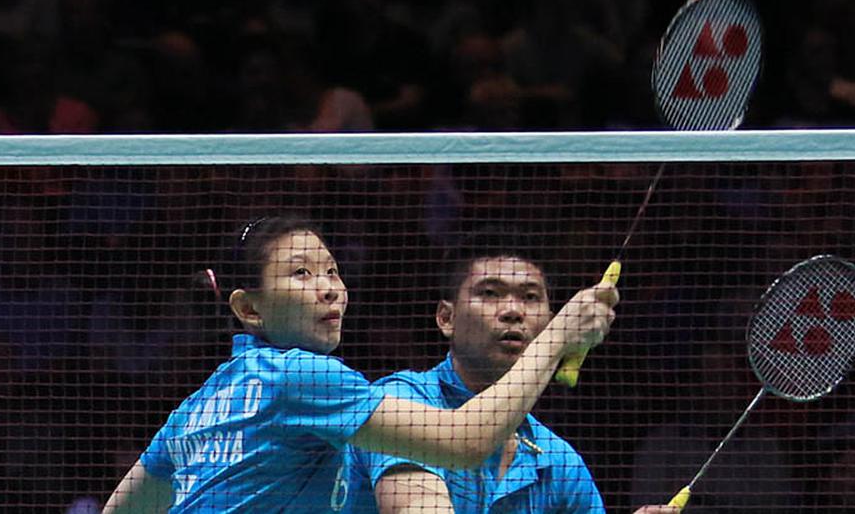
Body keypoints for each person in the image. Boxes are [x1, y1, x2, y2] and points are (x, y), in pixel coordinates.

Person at [102, 216, 618, 512]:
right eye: (301, 274)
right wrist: (558, 337)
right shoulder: (301, 377)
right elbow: (466, 441)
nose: (330, 288)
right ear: (248, 309)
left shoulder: (199, 404)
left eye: (331, 270)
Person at [350, 232, 676, 514]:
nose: (512, 311)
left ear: (549, 318)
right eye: (490, 292)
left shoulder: (557, 463)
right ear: (446, 318)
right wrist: (558, 341)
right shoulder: (402, 402)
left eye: (531, 297)